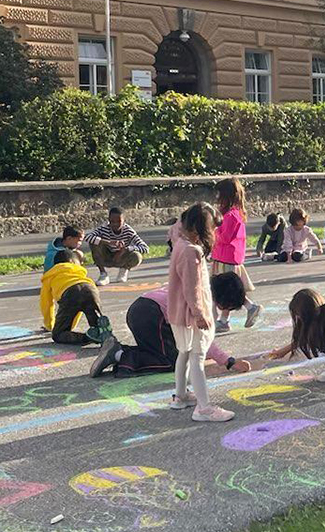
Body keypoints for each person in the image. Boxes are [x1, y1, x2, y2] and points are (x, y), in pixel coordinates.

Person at [91, 273, 255, 379]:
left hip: (141, 309)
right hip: (151, 316)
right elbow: (203, 338)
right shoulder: (201, 302)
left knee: (165, 351)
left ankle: (117, 351)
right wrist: (229, 362)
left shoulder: (197, 285)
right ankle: (119, 354)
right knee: (173, 362)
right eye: (228, 307)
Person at [164, 203, 235, 422]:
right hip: (190, 314)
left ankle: (181, 396)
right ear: (199, 228)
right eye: (211, 228)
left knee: (184, 353)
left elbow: (176, 227)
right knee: (197, 356)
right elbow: (191, 287)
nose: (213, 233)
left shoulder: (180, 241)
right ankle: (203, 408)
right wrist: (199, 313)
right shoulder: (191, 251)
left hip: (180, 312)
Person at [211, 178, 261, 333]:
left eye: (220, 195)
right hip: (224, 256)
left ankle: (248, 308)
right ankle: (225, 319)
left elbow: (225, 237)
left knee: (227, 290)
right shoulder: (230, 214)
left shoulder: (231, 216)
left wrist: (211, 230)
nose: (218, 198)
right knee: (227, 291)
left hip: (227, 257)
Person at [38, 248, 113, 346]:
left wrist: (49, 324)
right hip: (90, 288)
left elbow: (46, 303)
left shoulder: (50, 275)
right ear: (72, 262)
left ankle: (87, 337)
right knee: (95, 320)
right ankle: (102, 330)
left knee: (58, 335)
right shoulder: (78, 271)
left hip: (69, 294)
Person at [84, 207, 149, 284]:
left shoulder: (128, 231)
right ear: (108, 220)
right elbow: (87, 237)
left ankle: (123, 270)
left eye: (119, 221)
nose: (115, 224)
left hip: (121, 258)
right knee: (94, 242)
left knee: (137, 256)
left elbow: (145, 248)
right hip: (106, 257)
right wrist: (108, 242)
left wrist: (125, 249)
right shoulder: (104, 228)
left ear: (124, 221)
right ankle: (103, 274)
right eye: (112, 221)